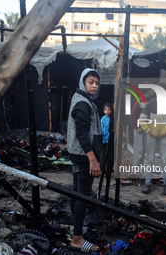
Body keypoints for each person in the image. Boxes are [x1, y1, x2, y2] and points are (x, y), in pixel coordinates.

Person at [67, 68, 102, 253]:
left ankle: (76, 229)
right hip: (84, 157)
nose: (94, 86)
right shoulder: (83, 104)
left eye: (97, 83)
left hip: (78, 155)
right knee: (83, 196)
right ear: (83, 82)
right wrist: (93, 160)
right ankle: (77, 238)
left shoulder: (82, 99)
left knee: (76, 194)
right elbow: (82, 134)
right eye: (91, 82)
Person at [139, 83, 166, 195]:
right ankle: (147, 184)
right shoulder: (150, 105)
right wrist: (149, 131)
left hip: (164, 136)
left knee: (165, 160)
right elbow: (141, 120)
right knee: (149, 160)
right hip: (151, 136)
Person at [130, 86, 155, 168]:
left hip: (148, 129)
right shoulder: (140, 100)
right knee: (139, 150)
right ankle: (136, 168)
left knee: (146, 149)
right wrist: (137, 127)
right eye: (152, 90)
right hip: (140, 129)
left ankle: (143, 168)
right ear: (148, 91)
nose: (153, 91)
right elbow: (133, 114)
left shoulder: (152, 101)